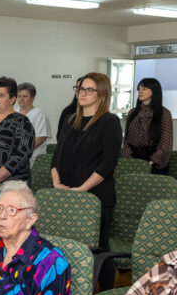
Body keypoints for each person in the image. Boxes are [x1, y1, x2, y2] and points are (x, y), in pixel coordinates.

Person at [51, 73, 123, 282]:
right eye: (80, 88)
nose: (82, 93)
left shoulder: (110, 122)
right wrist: (56, 183)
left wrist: (82, 190)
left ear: (102, 93)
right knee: (67, 247)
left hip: (95, 196)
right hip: (66, 193)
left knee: (99, 248)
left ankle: (106, 292)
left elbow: (108, 163)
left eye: (89, 90)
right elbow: (56, 157)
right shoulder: (70, 120)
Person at [123, 77, 173, 174]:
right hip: (133, 158)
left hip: (155, 160)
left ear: (154, 91)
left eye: (144, 89)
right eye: (139, 89)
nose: (140, 91)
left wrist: (151, 161)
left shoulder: (164, 113)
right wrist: (129, 159)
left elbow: (165, 142)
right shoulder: (132, 113)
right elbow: (126, 139)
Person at [16, 82, 50, 165]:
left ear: (32, 98)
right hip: (14, 159)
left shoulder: (39, 114)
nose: (21, 99)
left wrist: (21, 153)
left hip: (34, 159)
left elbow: (40, 138)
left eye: (25, 96)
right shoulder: (13, 113)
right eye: (19, 96)